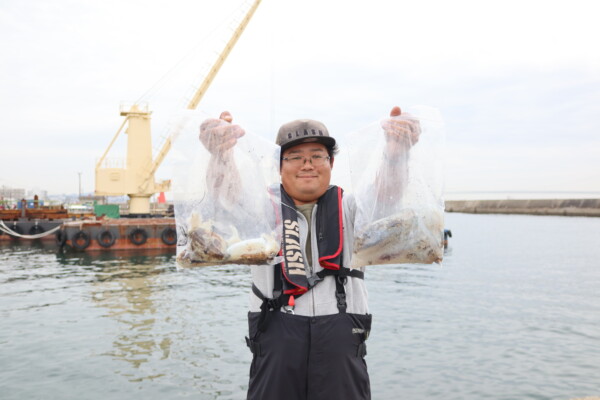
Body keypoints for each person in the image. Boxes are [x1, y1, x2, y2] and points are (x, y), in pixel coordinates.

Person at [199, 106, 420, 400]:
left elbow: (386, 194)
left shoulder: (352, 210)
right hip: (276, 347)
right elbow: (227, 194)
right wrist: (220, 155)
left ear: (331, 163)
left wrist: (396, 152)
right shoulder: (261, 212)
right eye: (295, 157)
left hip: (342, 347)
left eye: (317, 156)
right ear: (279, 165)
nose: (307, 164)